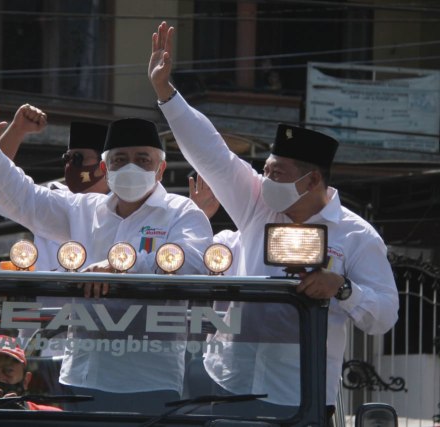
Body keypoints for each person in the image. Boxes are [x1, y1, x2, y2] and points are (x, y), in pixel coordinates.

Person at [148, 21, 398, 417]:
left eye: (277, 173)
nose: (265, 180)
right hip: (228, 385)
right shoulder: (256, 205)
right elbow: (211, 152)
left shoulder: (356, 234)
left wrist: (342, 288)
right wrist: (166, 92)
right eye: (265, 169)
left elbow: (384, 316)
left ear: (312, 179)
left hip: (302, 396)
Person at [0, 89, 213, 413]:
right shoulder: (82, 209)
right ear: (105, 169)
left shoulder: (181, 212)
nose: (131, 168)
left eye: (143, 160)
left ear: (161, 169)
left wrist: (122, 267)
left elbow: (196, 264)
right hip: (81, 376)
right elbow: (20, 198)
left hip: (151, 381)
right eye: (120, 160)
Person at [0, 91, 109, 271]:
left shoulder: (124, 206)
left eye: (79, 158)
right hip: (52, 297)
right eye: (68, 158)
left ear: (104, 166)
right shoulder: (54, 198)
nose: (71, 165)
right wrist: (16, 131)